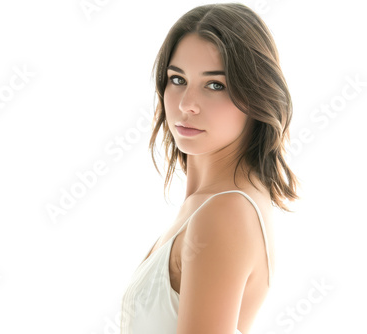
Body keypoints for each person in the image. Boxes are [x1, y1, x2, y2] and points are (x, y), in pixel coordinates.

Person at [120, 3, 301, 334]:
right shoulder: (210, 205)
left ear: (256, 94)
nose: (187, 103)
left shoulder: (224, 211)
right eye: (177, 79)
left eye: (215, 84)